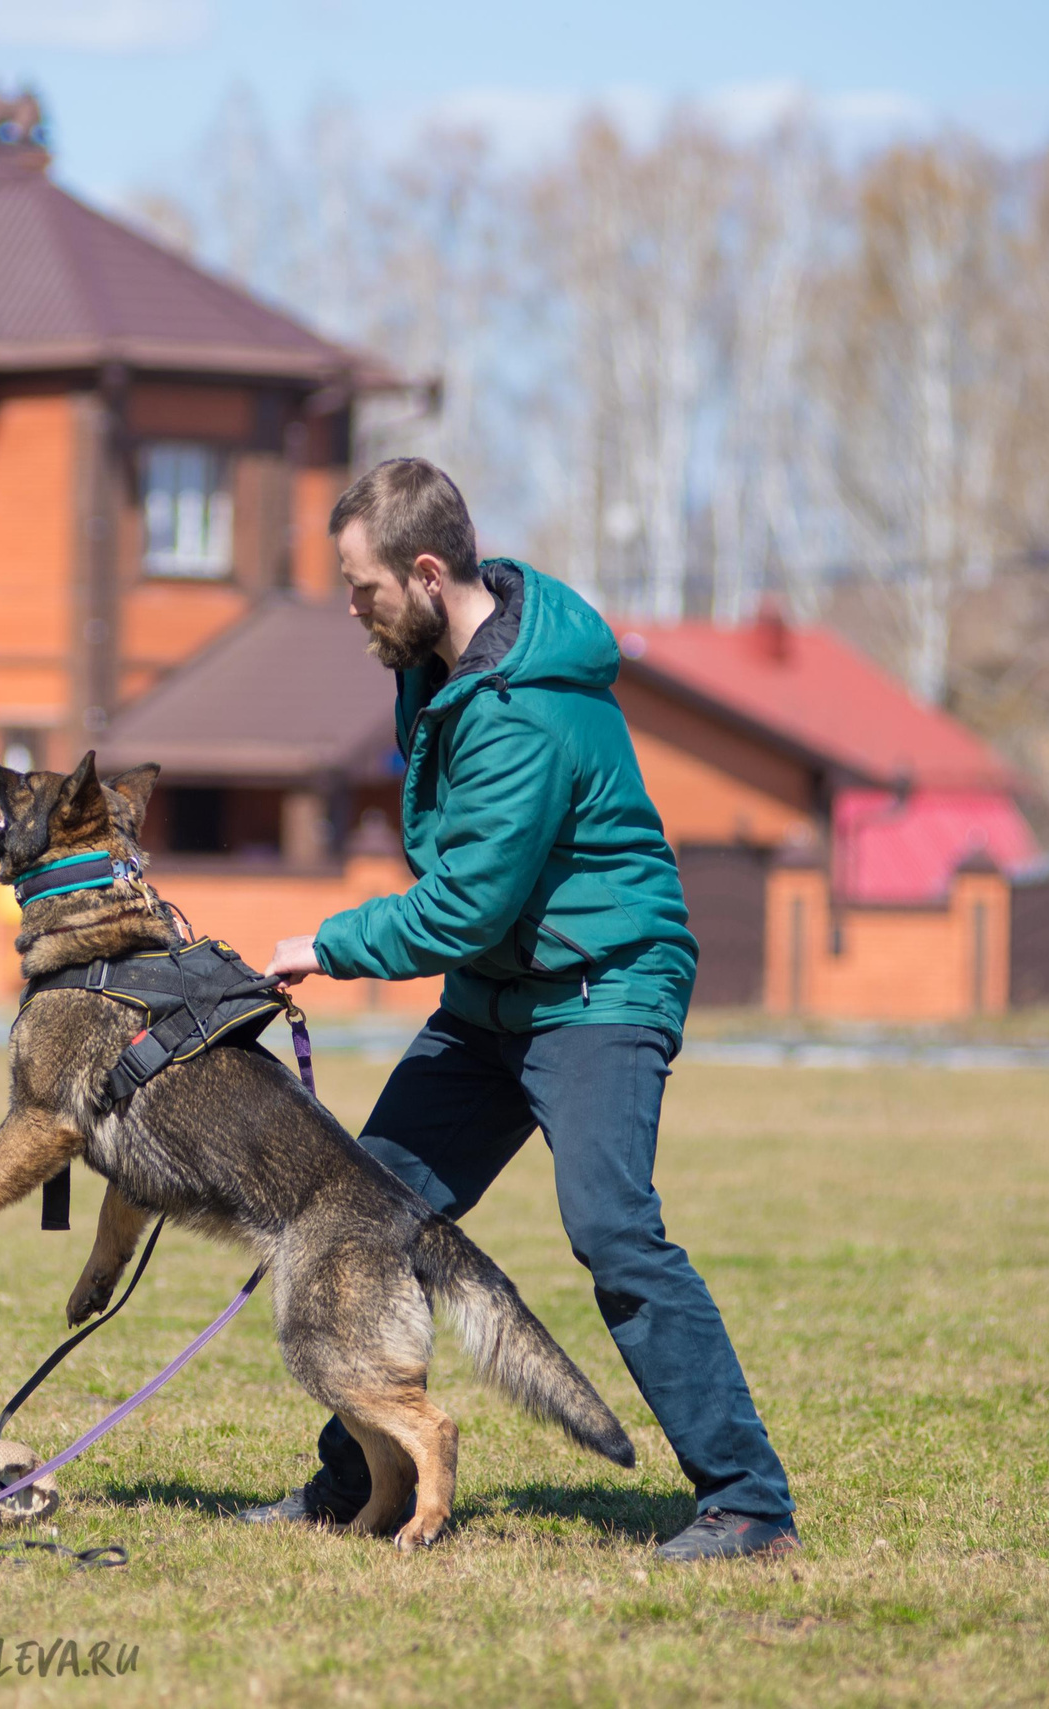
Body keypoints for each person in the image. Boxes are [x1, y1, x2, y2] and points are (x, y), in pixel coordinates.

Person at [245, 458, 797, 1561]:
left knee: (612, 1231)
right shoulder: (440, 666)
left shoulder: (524, 714)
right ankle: (352, 1478)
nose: (352, 609)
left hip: (602, 985)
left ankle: (748, 1502)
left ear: (429, 572)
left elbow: (464, 901)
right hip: (496, 993)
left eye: (362, 587)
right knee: (364, 1208)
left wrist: (327, 943)